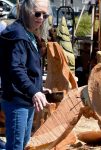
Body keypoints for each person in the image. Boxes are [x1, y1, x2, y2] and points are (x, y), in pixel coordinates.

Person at [0, 0, 51, 149]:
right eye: (37, 13)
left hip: (25, 100)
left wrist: (38, 88)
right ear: (26, 11)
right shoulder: (18, 35)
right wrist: (34, 91)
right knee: (16, 146)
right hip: (17, 101)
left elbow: (29, 69)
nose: (41, 18)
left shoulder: (28, 34)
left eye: (45, 15)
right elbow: (16, 68)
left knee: (22, 144)